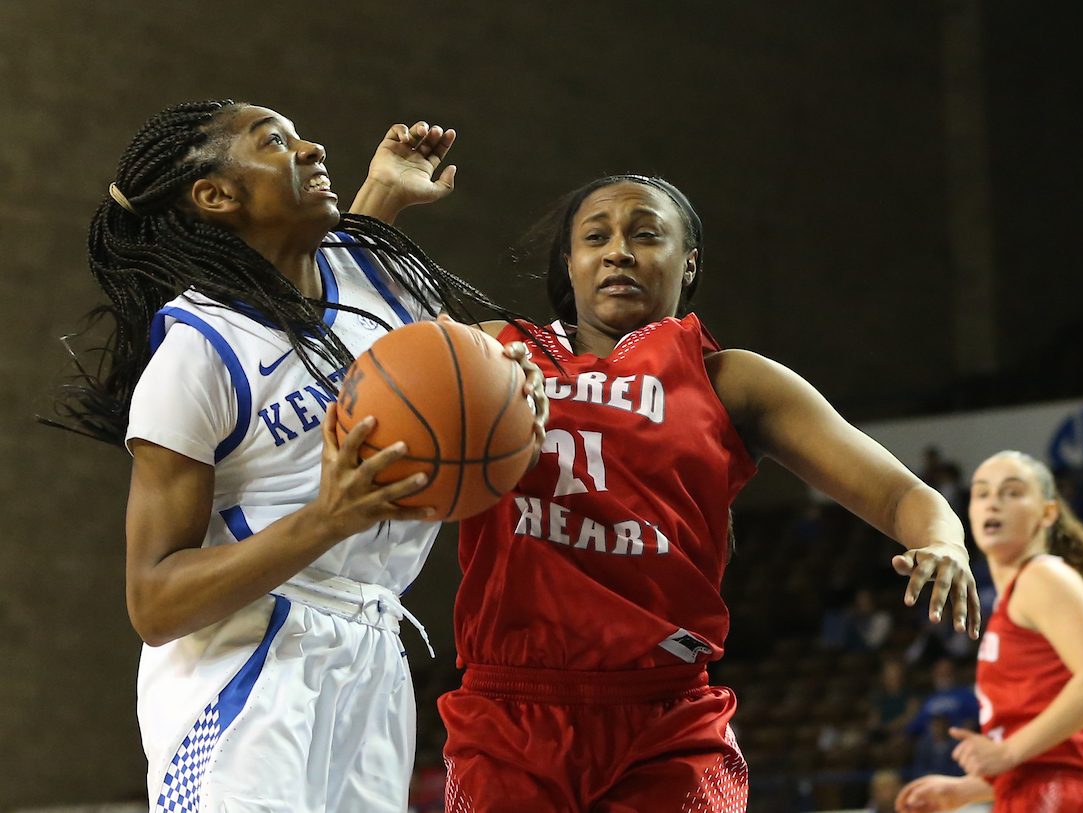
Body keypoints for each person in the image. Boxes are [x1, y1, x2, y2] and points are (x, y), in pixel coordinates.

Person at [367, 174, 983, 812]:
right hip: (510, 709)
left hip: (666, 715)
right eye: (596, 237)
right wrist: (382, 195)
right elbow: (351, 370)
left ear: (688, 263)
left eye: (646, 235)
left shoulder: (730, 378)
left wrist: (942, 541)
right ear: (570, 263)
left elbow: (899, 493)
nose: (619, 252)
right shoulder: (490, 354)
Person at [44, 101, 545, 812]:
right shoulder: (197, 354)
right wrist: (326, 519)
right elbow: (153, 601)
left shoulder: (382, 280)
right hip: (245, 662)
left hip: (372, 651)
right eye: (274, 142)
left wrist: (515, 397)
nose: (312, 146)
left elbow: (419, 369)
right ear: (217, 196)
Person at [896, 451, 1083, 813]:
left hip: (1057, 800)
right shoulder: (1014, 600)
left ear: (1048, 513)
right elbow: (1040, 758)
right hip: (1030, 797)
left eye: (1012, 492)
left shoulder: (1042, 577)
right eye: (982, 493)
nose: (994, 502)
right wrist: (964, 791)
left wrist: (1006, 751)